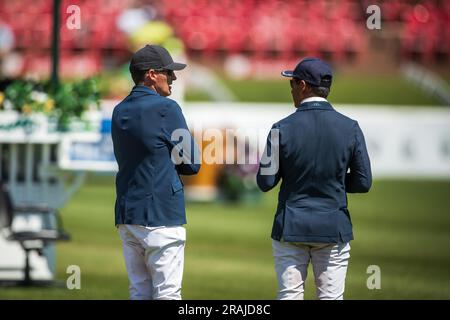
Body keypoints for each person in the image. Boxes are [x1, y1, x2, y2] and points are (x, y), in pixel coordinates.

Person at [256, 57, 372, 300]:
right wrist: (334, 181)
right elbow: (363, 182)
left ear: (303, 85)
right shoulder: (350, 127)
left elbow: (265, 182)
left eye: (292, 83)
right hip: (333, 226)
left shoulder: (281, 128)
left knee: (289, 295)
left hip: (291, 227)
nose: (291, 89)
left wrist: (292, 174)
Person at [111, 44, 200, 300]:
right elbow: (192, 163)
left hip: (128, 213)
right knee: (168, 293)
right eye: (168, 72)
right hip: (160, 214)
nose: (173, 77)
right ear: (151, 74)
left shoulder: (119, 110)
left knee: (139, 291)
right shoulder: (167, 109)